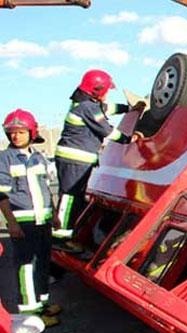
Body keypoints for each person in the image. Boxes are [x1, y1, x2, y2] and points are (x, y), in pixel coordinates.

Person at [52, 69, 143, 248]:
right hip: (75, 160)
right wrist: (129, 139)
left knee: (74, 197)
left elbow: (106, 109)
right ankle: (59, 239)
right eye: (107, 90)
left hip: (74, 159)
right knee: (69, 197)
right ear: (98, 90)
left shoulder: (84, 104)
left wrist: (130, 108)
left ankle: (65, 235)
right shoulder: (88, 108)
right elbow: (107, 130)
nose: (108, 93)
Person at [0, 109, 61, 326]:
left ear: (31, 132)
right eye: (12, 132)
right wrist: (12, 223)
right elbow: (2, 195)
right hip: (23, 222)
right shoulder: (5, 159)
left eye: (21, 132)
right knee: (25, 266)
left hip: (42, 220)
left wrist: (54, 214)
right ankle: (30, 313)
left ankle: (42, 303)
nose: (16, 136)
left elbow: (45, 187)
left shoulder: (38, 156)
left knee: (42, 261)